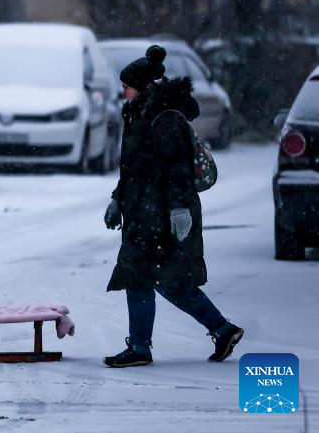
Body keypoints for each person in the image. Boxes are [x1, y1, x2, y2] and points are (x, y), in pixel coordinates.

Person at [103, 45, 242, 368]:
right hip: (143, 211)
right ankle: (219, 330)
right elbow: (134, 168)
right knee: (159, 279)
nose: (122, 92)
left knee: (153, 278)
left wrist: (179, 210)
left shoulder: (165, 119)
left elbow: (177, 170)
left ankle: (143, 347)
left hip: (162, 214)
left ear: (143, 87)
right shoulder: (140, 114)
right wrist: (117, 199)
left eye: (126, 86)